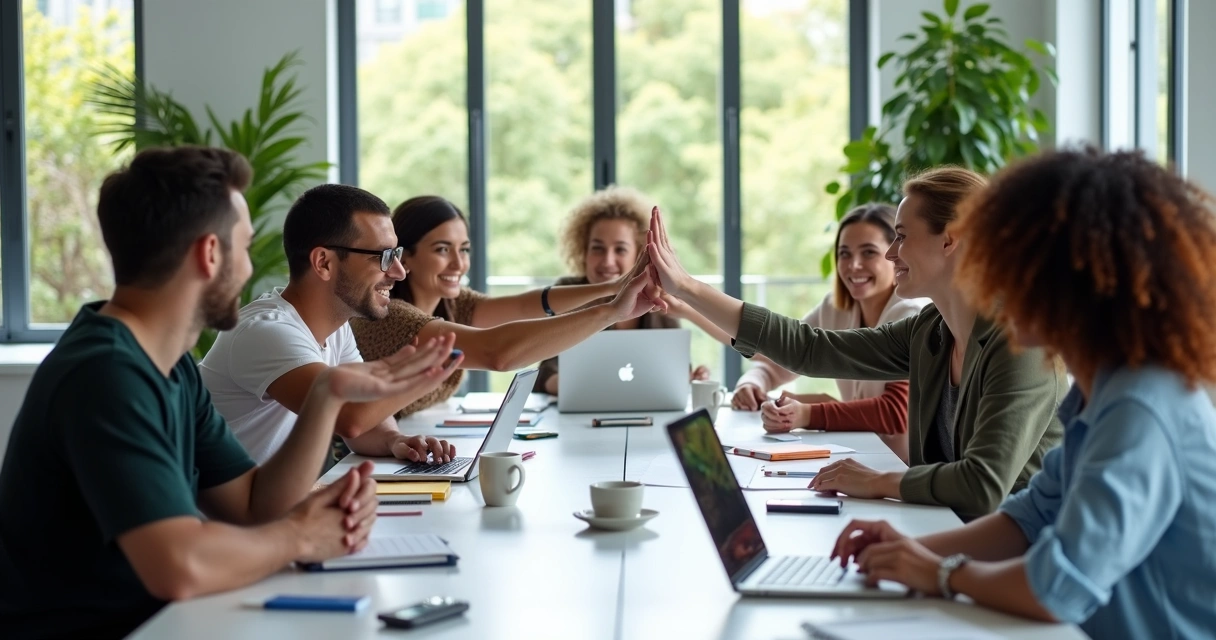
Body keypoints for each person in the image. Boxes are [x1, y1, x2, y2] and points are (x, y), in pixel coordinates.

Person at [0, 147, 457, 639]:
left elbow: (253, 504)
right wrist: (301, 535)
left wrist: (326, 396)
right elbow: (180, 565)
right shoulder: (106, 374)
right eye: (244, 247)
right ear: (209, 254)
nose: (248, 268)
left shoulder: (171, 365)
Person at [829, 147, 1216, 639]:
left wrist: (939, 573)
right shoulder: (1098, 395)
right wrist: (914, 546)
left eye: (1008, 265)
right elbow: (1028, 519)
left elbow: (1057, 587)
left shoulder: (1140, 408)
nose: (989, 281)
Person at [645, 167, 1067, 521]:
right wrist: (688, 289)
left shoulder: (1020, 342)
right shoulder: (930, 330)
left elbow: (981, 486)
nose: (891, 253)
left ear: (950, 238)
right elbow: (811, 349)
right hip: (948, 534)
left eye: (901, 236)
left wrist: (877, 481)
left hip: (1020, 561)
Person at [200, 184, 460, 465]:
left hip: (269, 502)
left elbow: (365, 424)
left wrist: (395, 440)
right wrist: (422, 378)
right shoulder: (267, 333)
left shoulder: (337, 328)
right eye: (384, 257)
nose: (398, 272)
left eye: (396, 255)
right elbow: (348, 418)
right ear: (323, 263)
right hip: (218, 509)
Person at [350, 195, 660, 417]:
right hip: (360, 465)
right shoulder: (393, 315)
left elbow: (527, 306)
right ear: (406, 257)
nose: (459, 263)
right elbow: (497, 354)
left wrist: (612, 287)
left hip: (399, 444)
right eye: (442, 249)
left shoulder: (453, 303)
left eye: (465, 249)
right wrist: (610, 310)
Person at [731, 203, 927, 462]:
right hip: (863, 460)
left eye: (869, 253)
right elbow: (784, 358)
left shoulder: (910, 313)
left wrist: (807, 414)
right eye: (844, 254)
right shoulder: (834, 308)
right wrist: (752, 384)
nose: (854, 265)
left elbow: (894, 412)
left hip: (903, 470)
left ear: (893, 255)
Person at [534, 186, 715, 395]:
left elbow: (676, 370)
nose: (608, 261)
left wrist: (688, 378)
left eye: (620, 249)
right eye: (597, 248)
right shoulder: (566, 292)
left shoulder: (658, 297)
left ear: (639, 254)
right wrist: (572, 386)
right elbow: (545, 373)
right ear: (583, 252)